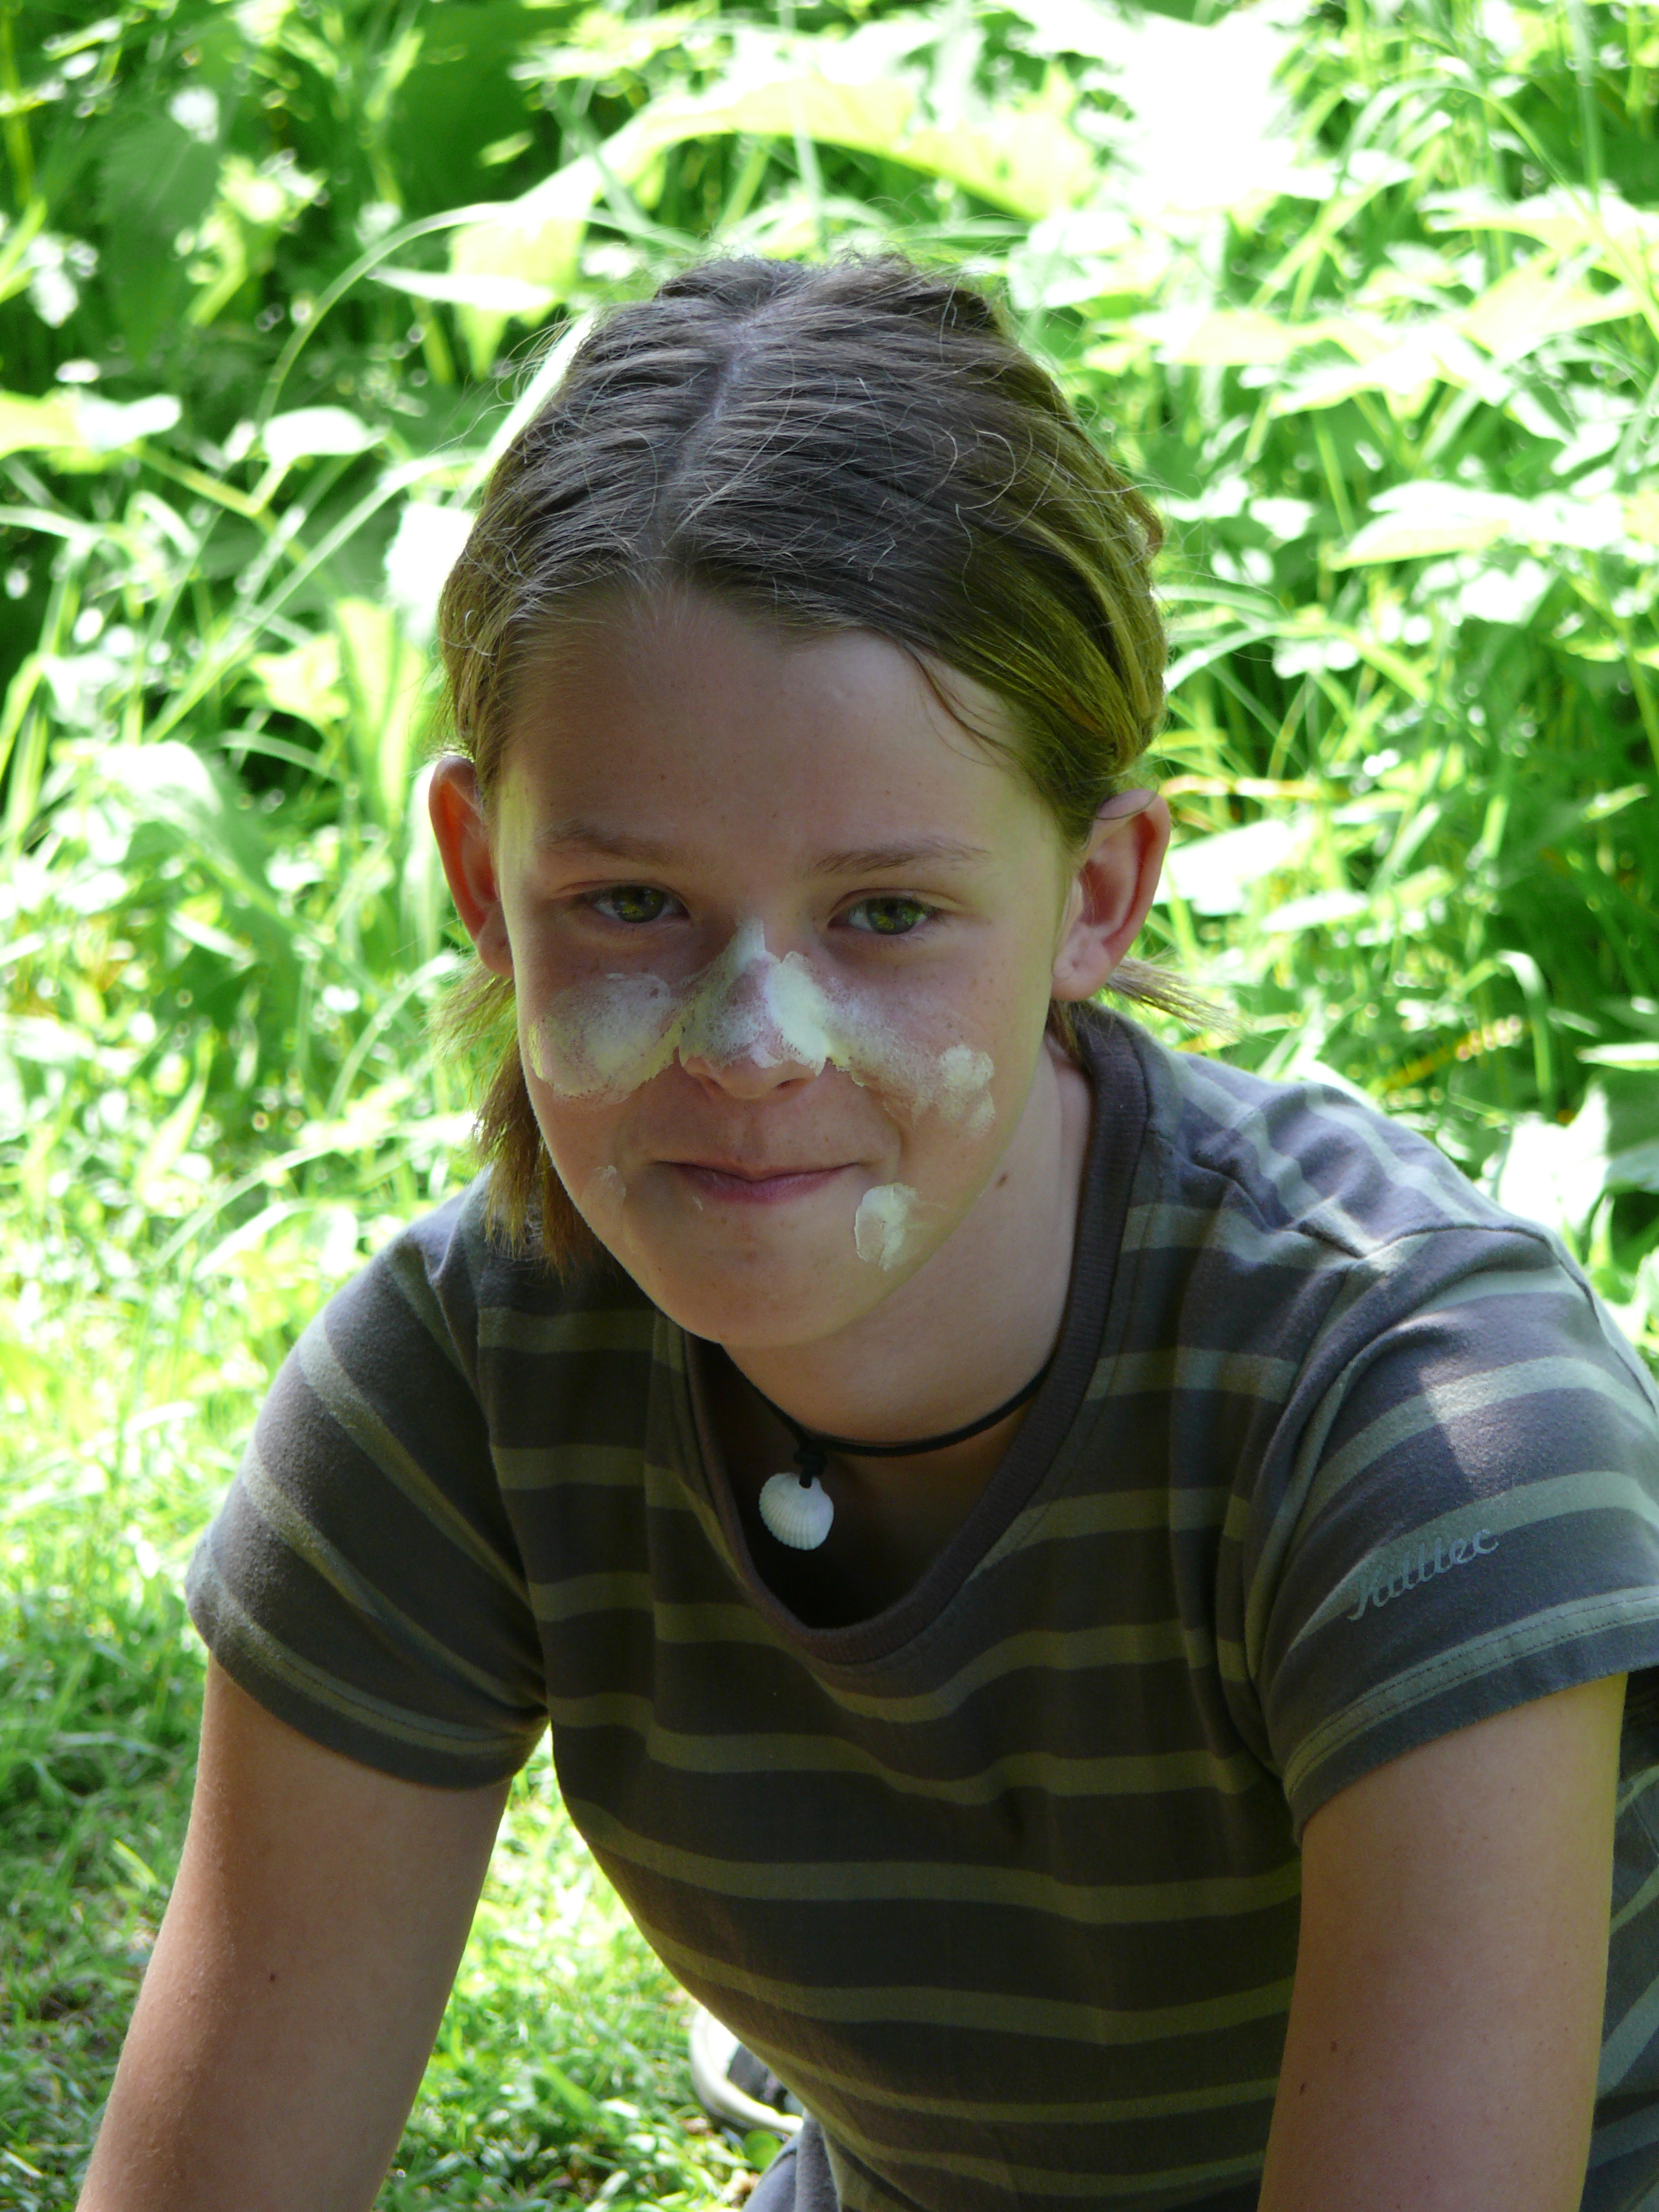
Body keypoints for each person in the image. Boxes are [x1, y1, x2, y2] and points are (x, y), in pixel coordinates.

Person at [77, 256, 1659, 2212]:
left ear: (1099, 896)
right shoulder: (460, 1395)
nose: (753, 1048)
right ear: (484, 880)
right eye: (634, 904)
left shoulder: (1422, 1433)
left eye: (886, 916)